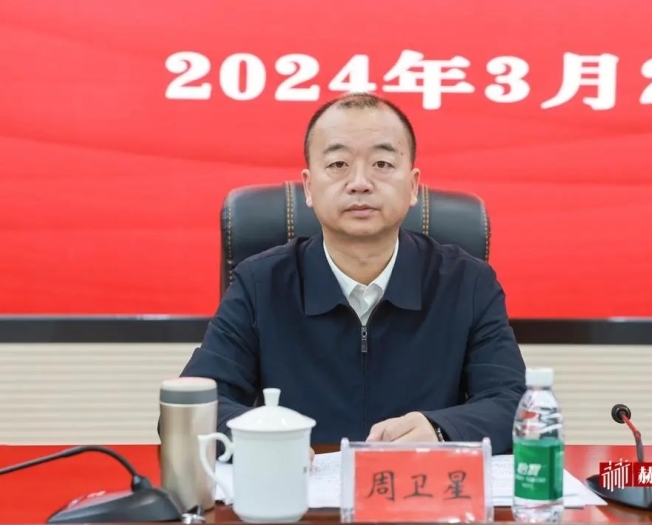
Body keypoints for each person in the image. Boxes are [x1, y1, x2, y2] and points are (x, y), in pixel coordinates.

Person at [177, 92, 527, 457]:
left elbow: (514, 404)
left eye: (382, 163)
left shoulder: (467, 283)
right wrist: (269, 441)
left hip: (419, 487)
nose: (360, 182)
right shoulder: (260, 284)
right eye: (338, 164)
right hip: (298, 488)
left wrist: (441, 431)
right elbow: (194, 407)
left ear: (412, 186)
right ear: (309, 187)